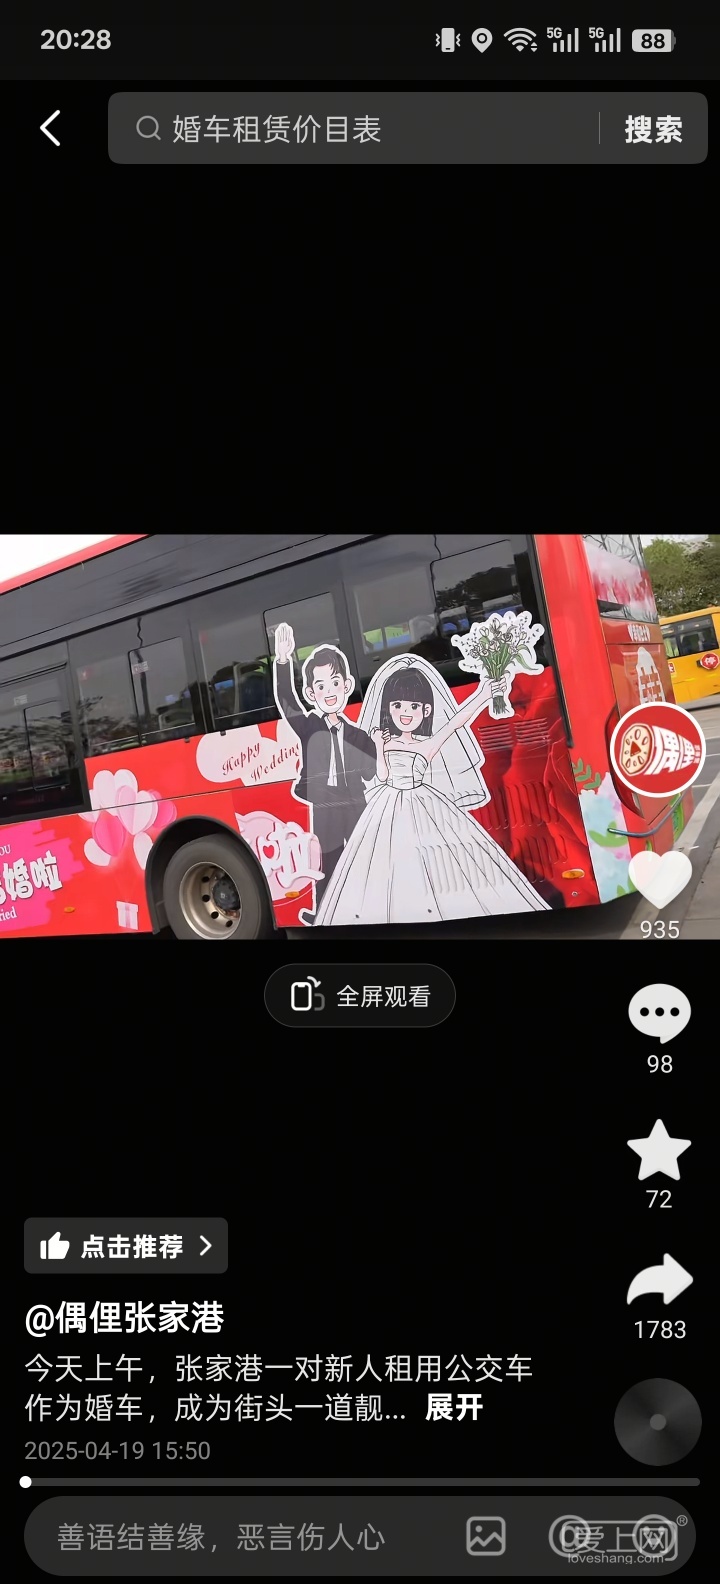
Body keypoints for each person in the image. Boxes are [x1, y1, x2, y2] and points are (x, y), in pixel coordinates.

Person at [313, 653, 550, 925]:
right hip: (388, 804)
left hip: (423, 804)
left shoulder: (425, 744)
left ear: (426, 711)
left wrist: (483, 694)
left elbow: (456, 722)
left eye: (414, 706)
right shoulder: (386, 743)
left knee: (440, 859)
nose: (405, 713)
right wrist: (378, 745)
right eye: (397, 705)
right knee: (392, 861)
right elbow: (382, 775)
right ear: (388, 708)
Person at [272, 623, 377, 909]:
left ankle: (368, 906)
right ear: (311, 693)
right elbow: (286, 700)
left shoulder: (358, 735)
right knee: (326, 860)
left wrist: (378, 745)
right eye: (320, 686)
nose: (329, 692)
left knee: (361, 855)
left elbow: (371, 772)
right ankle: (325, 912)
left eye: (334, 683)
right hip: (323, 802)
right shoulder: (309, 727)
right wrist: (283, 660)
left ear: (347, 686)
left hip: (355, 800)